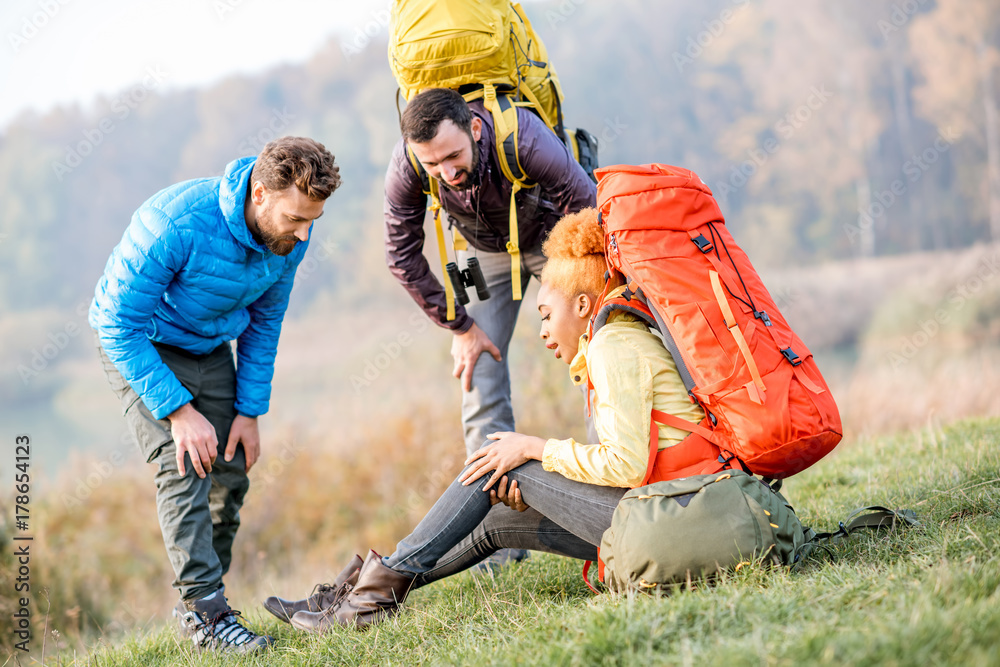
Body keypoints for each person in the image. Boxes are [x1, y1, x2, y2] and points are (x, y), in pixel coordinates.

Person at [270, 207, 714, 633]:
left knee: (503, 457)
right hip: (660, 514)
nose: (541, 331)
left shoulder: (612, 346)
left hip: (673, 518)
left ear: (582, 306)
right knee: (500, 518)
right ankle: (357, 598)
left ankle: (364, 601)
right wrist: (546, 492)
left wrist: (535, 450)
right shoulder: (617, 338)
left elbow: (627, 466)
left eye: (546, 315)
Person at [90, 137, 341, 654]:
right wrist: (179, 412)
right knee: (186, 465)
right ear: (260, 192)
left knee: (231, 469)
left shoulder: (289, 237)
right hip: (143, 344)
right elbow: (117, 325)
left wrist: (249, 411)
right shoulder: (174, 221)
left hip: (209, 346)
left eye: (313, 220)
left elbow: (265, 322)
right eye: (296, 218)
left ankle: (203, 610)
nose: (305, 233)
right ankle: (208, 617)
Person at [384, 88, 597, 459]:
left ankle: (612, 472)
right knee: (476, 363)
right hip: (483, 251)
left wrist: (591, 283)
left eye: (453, 156)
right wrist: (459, 326)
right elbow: (401, 254)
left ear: (476, 129)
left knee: (592, 349)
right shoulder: (409, 163)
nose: (446, 174)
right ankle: (495, 492)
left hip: (553, 240)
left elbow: (588, 207)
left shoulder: (522, 136)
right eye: (433, 165)